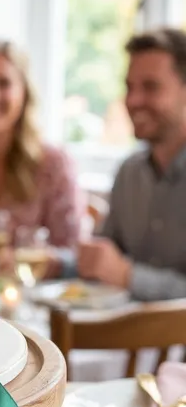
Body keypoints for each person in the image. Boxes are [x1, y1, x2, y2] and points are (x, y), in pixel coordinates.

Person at [0, 40, 84, 273]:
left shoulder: (53, 165)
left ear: (24, 93)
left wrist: (31, 261)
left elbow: (76, 254)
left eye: (3, 83)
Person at [78, 28, 186, 300]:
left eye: (151, 87)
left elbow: (119, 271)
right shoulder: (129, 172)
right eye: (129, 87)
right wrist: (59, 262)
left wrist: (129, 276)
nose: (133, 100)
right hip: (124, 338)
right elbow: (105, 261)